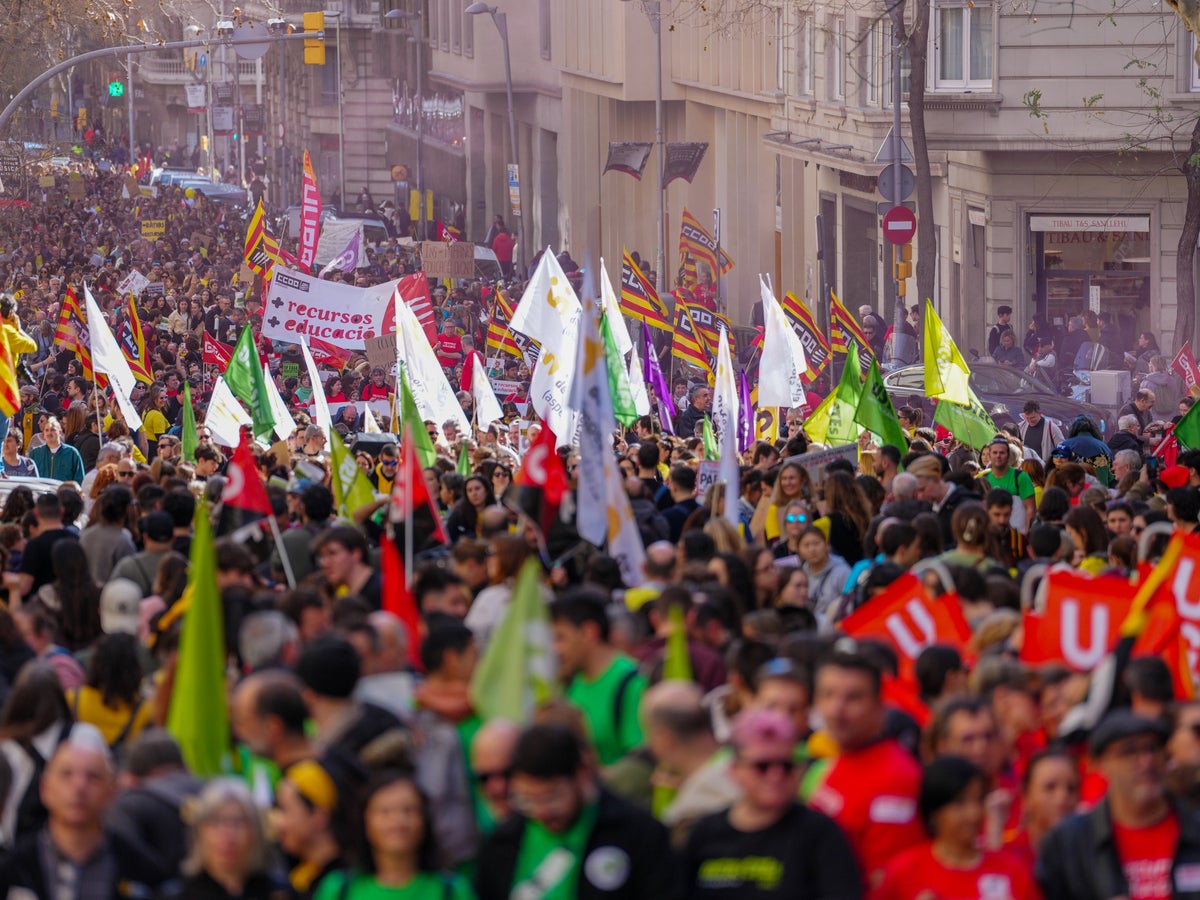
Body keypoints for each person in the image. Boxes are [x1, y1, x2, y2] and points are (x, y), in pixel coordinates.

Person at [475, 723, 679, 900]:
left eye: (552, 797)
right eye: (527, 800)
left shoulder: (637, 833)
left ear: (581, 775)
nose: (542, 811)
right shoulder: (503, 841)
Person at [684, 708, 862, 898]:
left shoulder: (820, 834)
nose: (775, 775)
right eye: (762, 766)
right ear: (734, 770)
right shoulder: (704, 833)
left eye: (786, 766)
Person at [1037, 710, 1200, 900]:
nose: (1147, 761)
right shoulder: (1068, 844)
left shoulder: (1195, 830)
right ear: (1099, 764)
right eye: (1129, 751)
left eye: (1153, 748)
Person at [804, 648, 924, 885]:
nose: (837, 710)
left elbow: (888, 881)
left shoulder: (895, 778)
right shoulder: (842, 758)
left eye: (854, 697)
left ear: (879, 705)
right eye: (828, 695)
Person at [873, 756, 1040, 900]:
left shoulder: (1011, 871)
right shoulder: (904, 872)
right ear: (935, 811)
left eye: (978, 800)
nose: (974, 813)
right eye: (960, 803)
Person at [315, 771, 474, 900]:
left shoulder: (452, 890)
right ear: (365, 823)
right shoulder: (339, 889)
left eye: (408, 810)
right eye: (385, 812)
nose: (398, 822)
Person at [551, 590, 647, 767]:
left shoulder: (632, 683)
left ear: (589, 632)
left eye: (560, 638)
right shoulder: (568, 684)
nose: (555, 649)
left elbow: (640, 762)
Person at [167, 777, 285, 899]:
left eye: (238, 822)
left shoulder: (277, 892)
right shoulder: (178, 894)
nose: (228, 834)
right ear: (200, 831)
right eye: (215, 822)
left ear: (256, 830)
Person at [28, 415, 85, 483]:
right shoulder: (35, 453)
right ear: (44, 433)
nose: (49, 433)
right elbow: (29, 478)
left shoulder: (72, 453)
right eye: (46, 430)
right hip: (41, 492)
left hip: (63, 492)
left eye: (53, 430)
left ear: (60, 432)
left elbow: (79, 479)